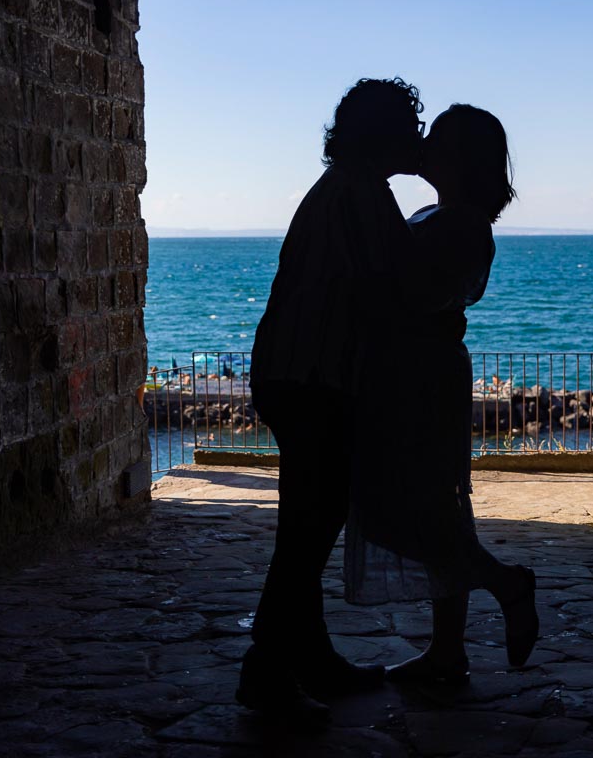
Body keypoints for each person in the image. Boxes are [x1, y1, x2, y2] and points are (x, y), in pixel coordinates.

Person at [237, 77, 426, 727]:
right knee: (309, 530)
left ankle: (310, 658)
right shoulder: (362, 196)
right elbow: (395, 287)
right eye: (409, 127)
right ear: (386, 135)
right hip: (317, 379)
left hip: (296, 374)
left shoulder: (345, 189)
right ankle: (266, 665)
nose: (418, 137)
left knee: (309, 521)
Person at [344, 104, 539, 688]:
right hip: (413, 373)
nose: (424, 143)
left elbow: (417, 292)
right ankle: (447, 651)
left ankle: (504, 586)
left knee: (414, 509)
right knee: (428, 510)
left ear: (462, 157)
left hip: (420, 379)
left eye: (438, 137)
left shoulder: (463, 224)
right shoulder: (441, 214)